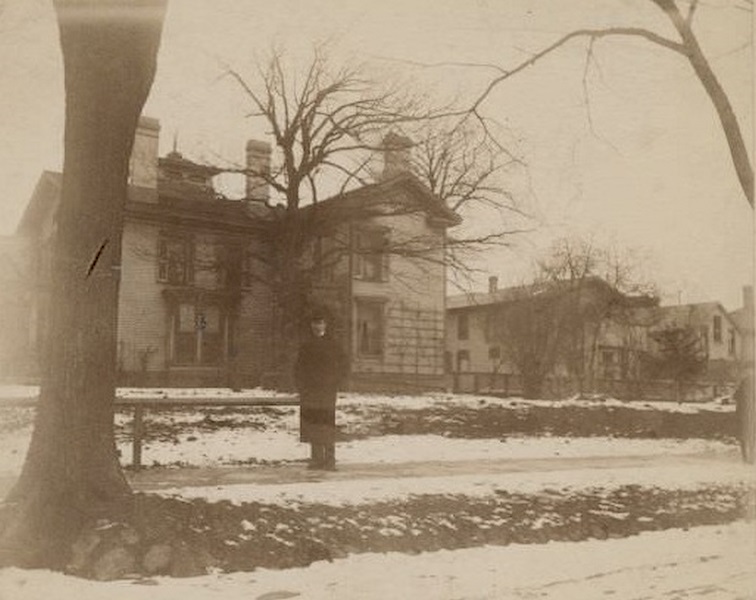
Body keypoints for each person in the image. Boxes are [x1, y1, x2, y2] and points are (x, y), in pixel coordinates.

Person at [294, 312, 348, 470]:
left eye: (321, 323)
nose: (317, 326)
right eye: (315, 323)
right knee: (312, 424)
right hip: (310, 391)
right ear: (311, 326)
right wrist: (301, 386)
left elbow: (344, 366)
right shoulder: (306, 345)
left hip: (327, 391)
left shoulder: (334, 344)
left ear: (325, 325)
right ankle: (316, 459)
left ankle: (330, 460)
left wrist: (336, 383)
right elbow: (299, 367)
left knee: (326, 424)